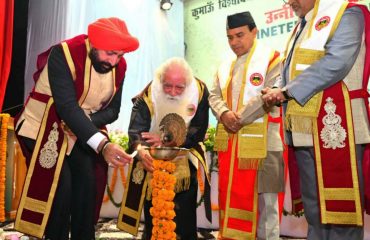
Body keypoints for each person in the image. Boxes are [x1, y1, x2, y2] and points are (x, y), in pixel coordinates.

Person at [13, 17, 138, 240]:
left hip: (79, 131)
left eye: (119, 55)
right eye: (109, 53)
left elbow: (113, 111)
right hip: (42, 127)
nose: (114, 61)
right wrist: (102, 145)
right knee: (61, 187)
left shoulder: (120, 66)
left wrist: (85, 123)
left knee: (87, 184)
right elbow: (67, 107)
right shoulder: (65, 54)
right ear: (94, 43)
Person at [261, 0, 370, 239]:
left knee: (342, 214)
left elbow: (337, 62)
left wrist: (286, 91)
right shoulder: (301, 25)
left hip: (340, 127)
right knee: (315, 210)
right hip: (305, 129)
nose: (289, 2)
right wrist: (277, 88)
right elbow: (289, 72)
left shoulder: (348, 12)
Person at [208, 11, 284, 240]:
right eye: (230, 37)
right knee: (230, 196)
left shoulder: (273, 59)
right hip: (232, 146)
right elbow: (213, 96)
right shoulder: (225, 66)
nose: (234, 42)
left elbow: (267, 95)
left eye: (239, 35)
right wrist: (223, 114)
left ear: (254, 31)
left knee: (267, 203)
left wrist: (236, 119)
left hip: (266, 145)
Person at [117, 57, 211, 240]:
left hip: (184, 162)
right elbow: (136, 131)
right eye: (168, 86)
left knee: (184, 220)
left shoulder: (198, 90)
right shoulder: (149, 93)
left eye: (179, 88)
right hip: (152, 163)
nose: (173, 92)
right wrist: (140, 149)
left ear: (188, 83)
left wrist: (167, 138)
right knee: (155, 219)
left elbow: (198, 129)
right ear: (160, 80)